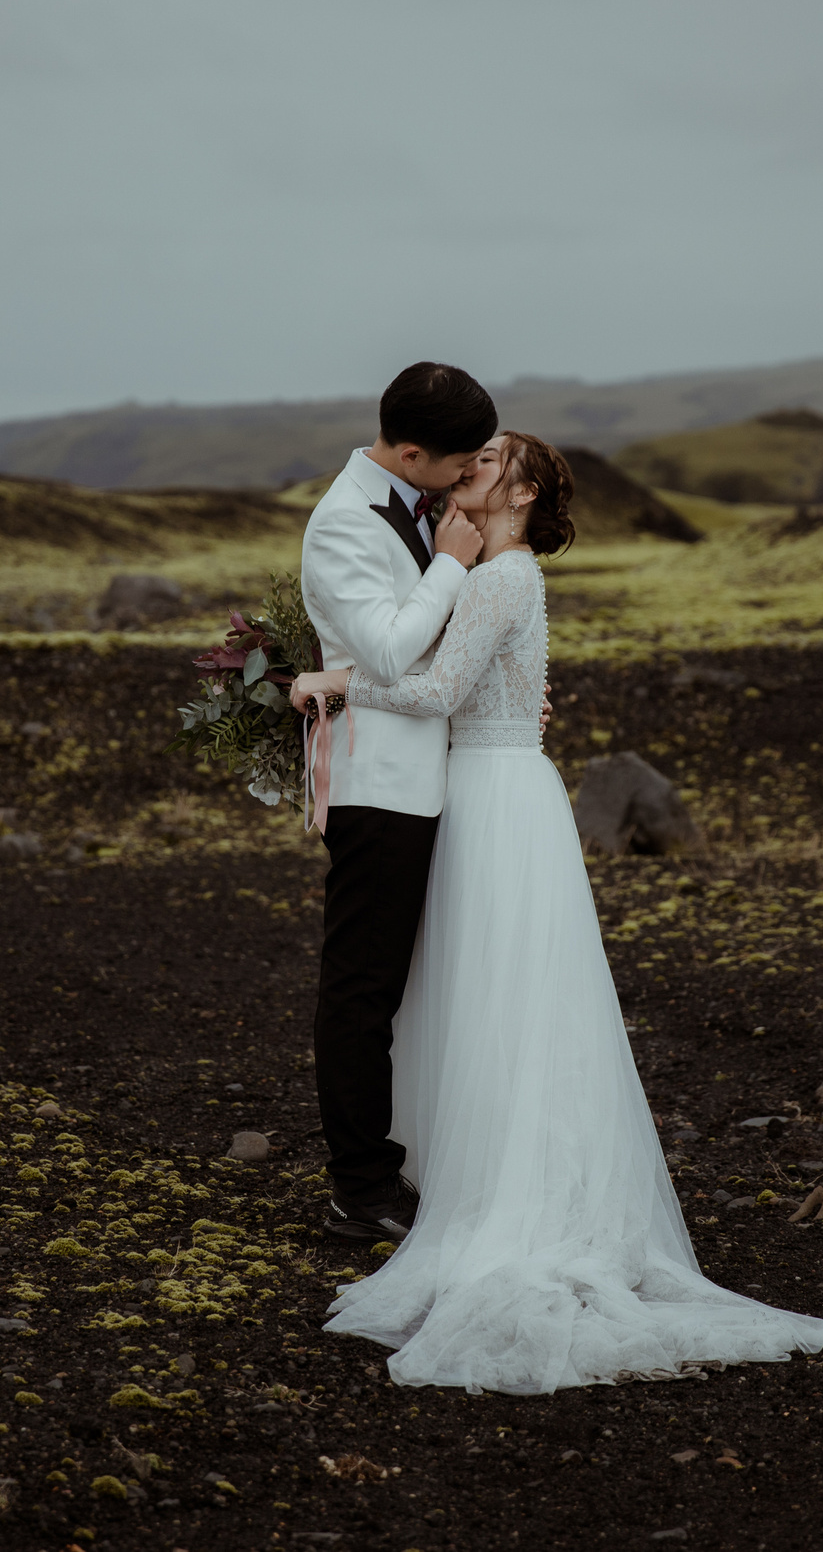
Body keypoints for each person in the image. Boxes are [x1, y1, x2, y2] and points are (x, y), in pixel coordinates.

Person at [292, 432, 823, 1394]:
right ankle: (478, 1172)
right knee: (491, 995)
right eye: (470, 452)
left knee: (504, 995)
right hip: (493, 787)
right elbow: (465, 675)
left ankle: (509, 1194)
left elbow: (433, 689)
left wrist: (330, 682)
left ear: (518, 490)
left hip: (494, 799)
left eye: (492, 458)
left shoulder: (503, 577)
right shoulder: (490, 570)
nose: (473, 461)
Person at [298, 362, 493, 1245]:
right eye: (458, 461)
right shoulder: (342, 522)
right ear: (411, 451)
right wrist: (453, 565)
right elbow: (383, 653)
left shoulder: (417, 498)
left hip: (434, 777)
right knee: (362, 990)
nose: (468, 474)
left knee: (414, 986)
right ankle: (361, 1188)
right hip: (378, 788)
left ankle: (409, 1161)